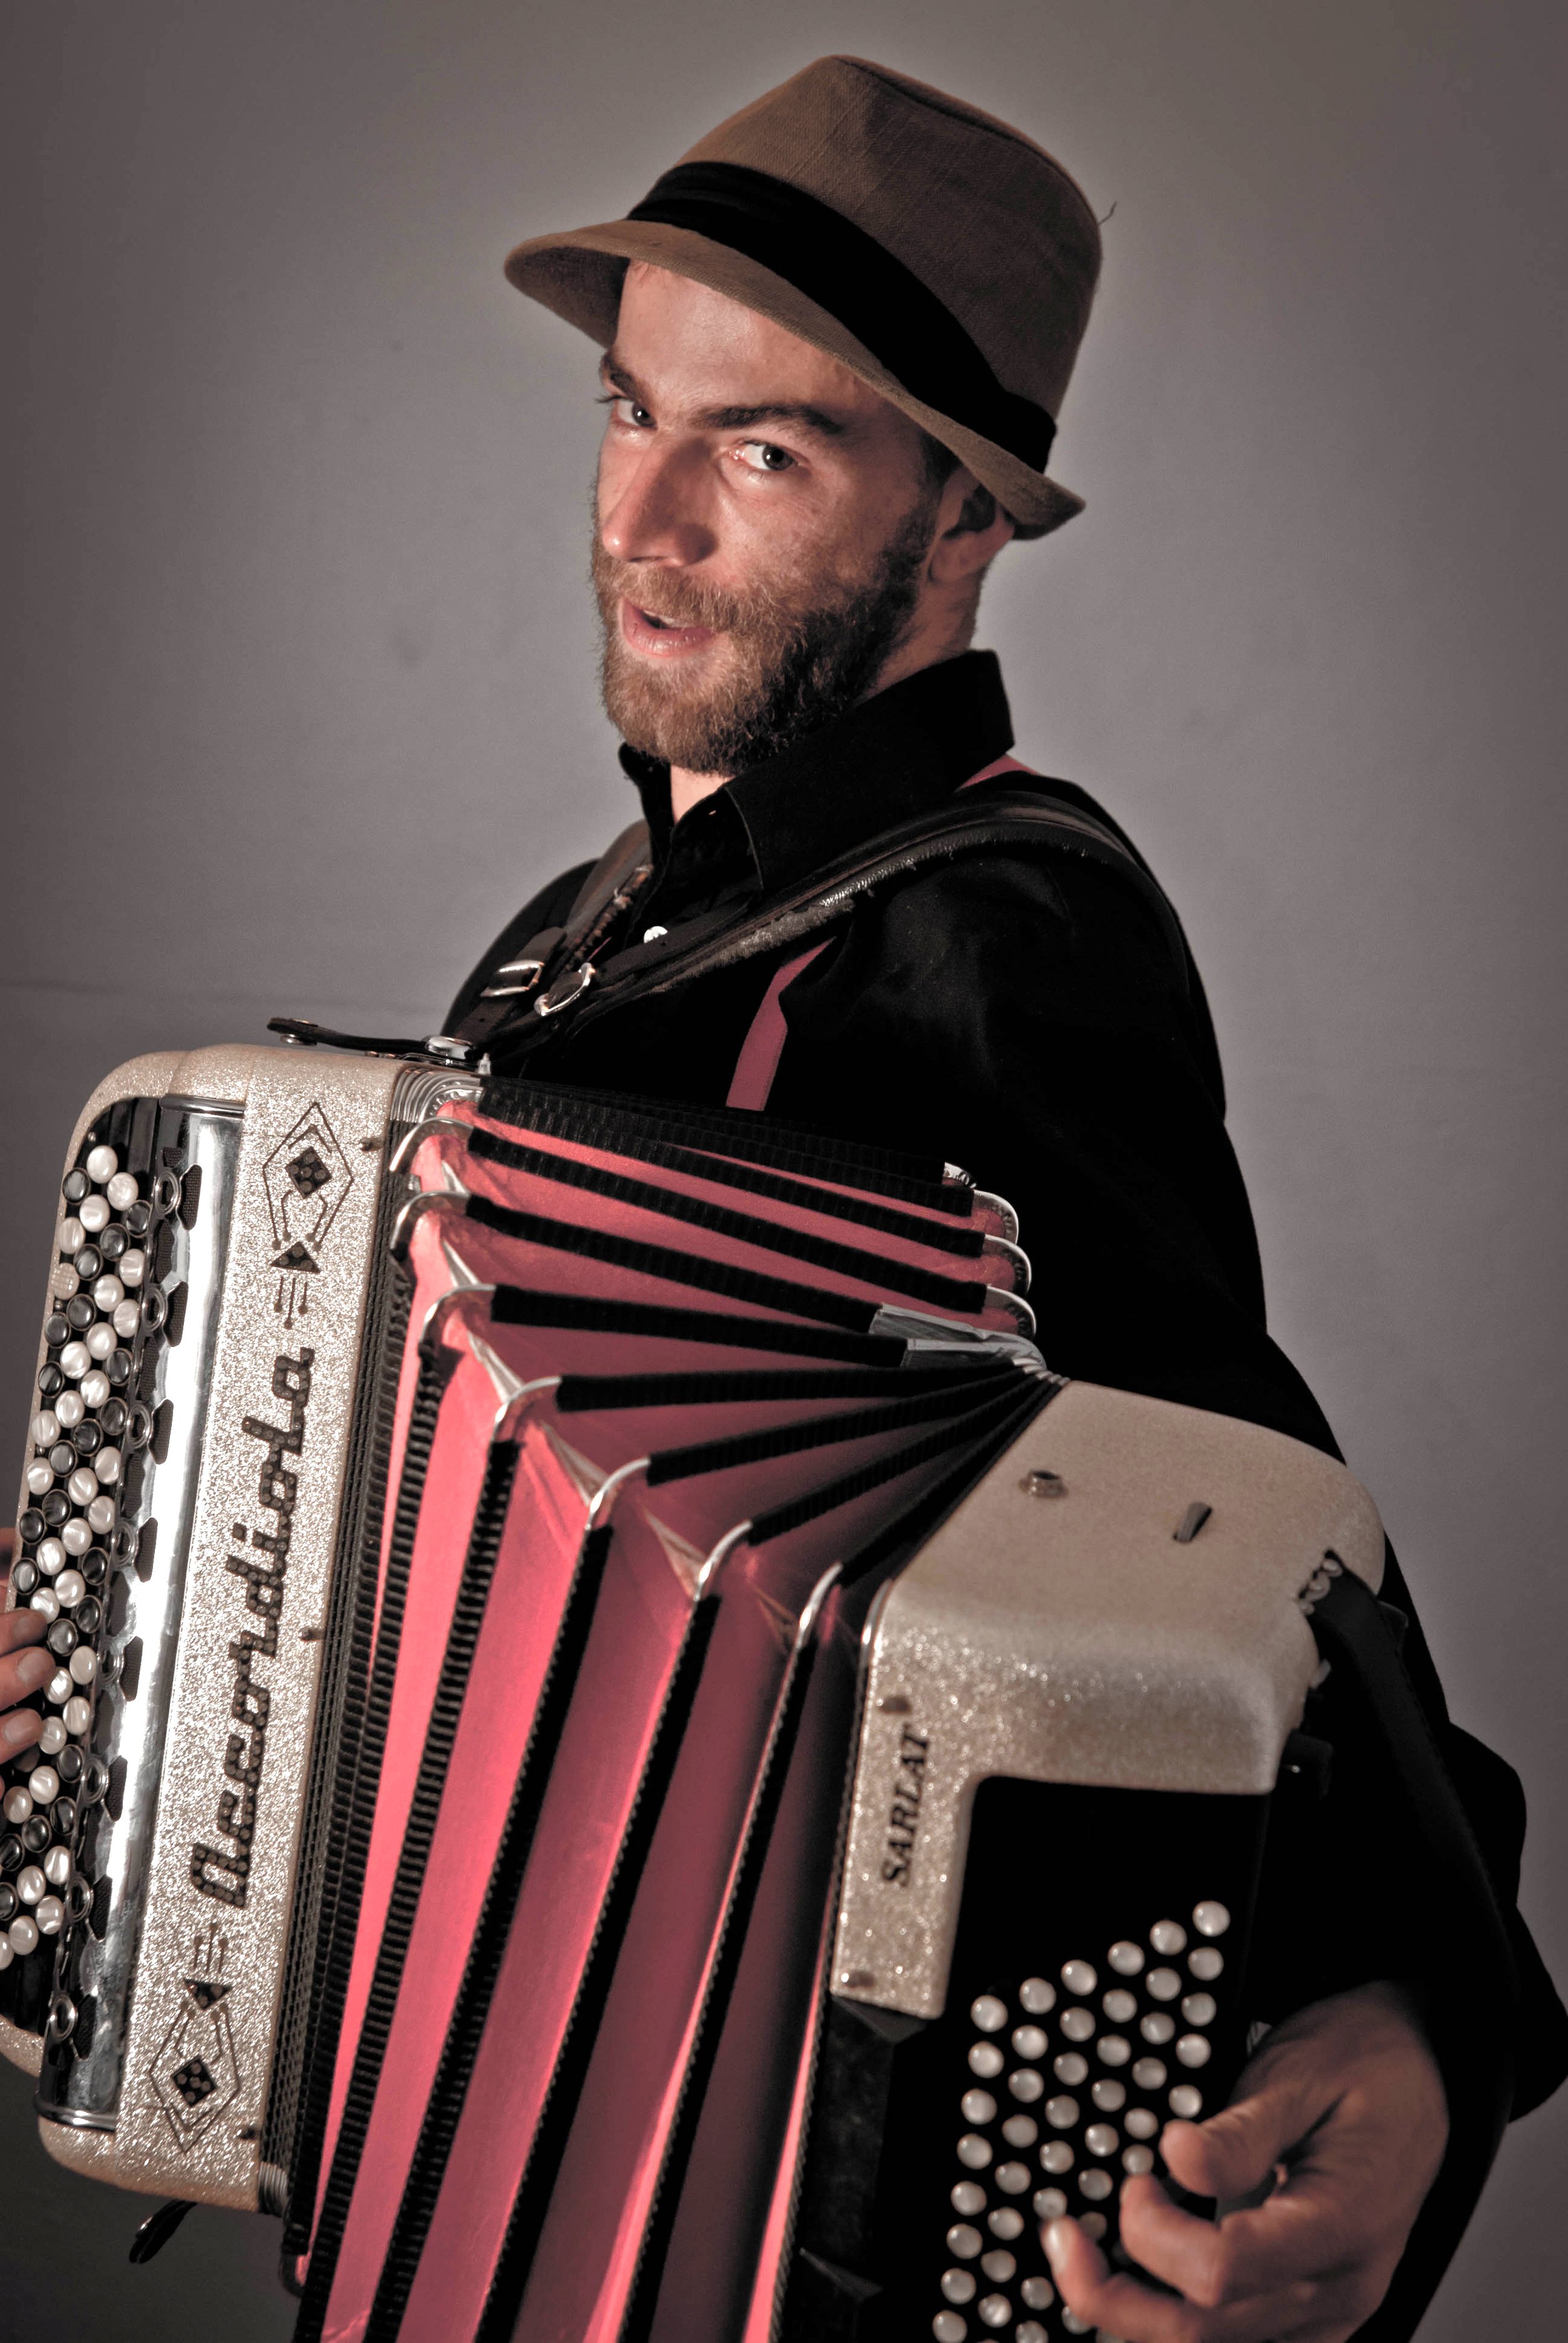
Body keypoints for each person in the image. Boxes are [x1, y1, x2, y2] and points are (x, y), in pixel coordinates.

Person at [6, 51, 1560, 2342]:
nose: (642, 519)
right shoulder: (570, 944)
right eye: (628, 412)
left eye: (761, 449)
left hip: (747, 2219)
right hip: (448, 2204)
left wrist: (1415, 2017)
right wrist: (121, 1709)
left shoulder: (992, 942)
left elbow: (1251, 1556)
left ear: (964, 517)